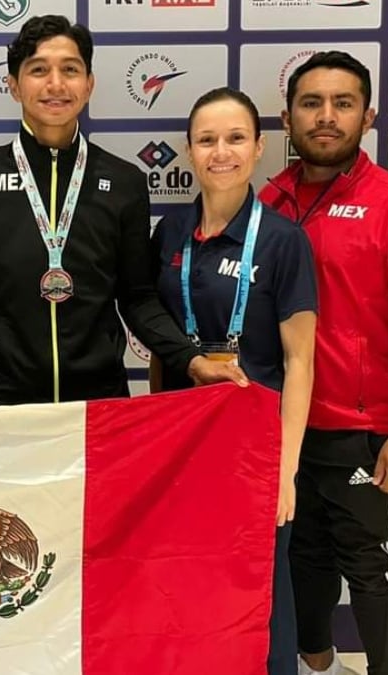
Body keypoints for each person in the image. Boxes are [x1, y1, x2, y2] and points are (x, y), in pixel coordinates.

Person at [259, 52, 388, 675]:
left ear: (367, 115)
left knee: (369, 562)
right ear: (287, 117)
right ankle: (317, 663)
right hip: (282, 425)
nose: (326, 117)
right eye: (311, 103)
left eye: (343, 103)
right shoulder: (269, 200)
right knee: (302, 556)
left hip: (362, 428)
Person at [0, 14, 246, 406]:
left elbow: (138, 297)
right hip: (4, 402)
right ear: (13, 86)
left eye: (70, 70)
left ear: (89, 85)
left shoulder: (123, 182)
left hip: (100, 404)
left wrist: (191, 361)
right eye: (38, 70)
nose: (55, 84)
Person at [152, 87, 317, 675]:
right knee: (185, 582)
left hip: (255, 446)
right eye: (207, 140)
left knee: (260, 587)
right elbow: (160, 337)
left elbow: (301, 362)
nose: (221, 152)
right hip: (180, 443)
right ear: (189, 151)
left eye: (235, 138)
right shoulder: (169, 233)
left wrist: (286, 470)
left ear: (260, 147)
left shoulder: (283, 240)